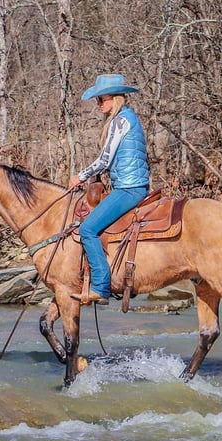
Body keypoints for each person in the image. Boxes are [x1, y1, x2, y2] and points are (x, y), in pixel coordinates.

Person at [68, 74, 151, 305]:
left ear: (115, 98)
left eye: (102, 100)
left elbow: (105, 159)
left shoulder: (121, 121)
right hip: (131, 183)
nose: (99, 105)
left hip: (129, 187)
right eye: (98, 101)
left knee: (87, 229)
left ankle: (101, 287)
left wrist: (80, 176)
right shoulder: (128, 118)